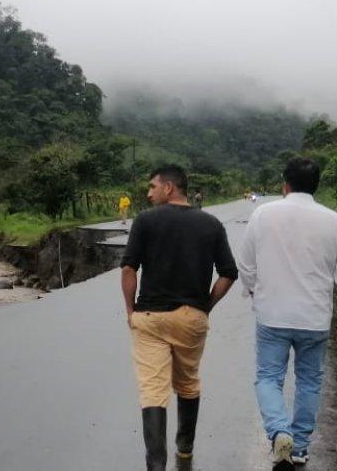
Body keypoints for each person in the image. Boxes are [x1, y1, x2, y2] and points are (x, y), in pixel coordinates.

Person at [236, 157, 337, 469]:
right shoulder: (336, 222)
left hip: (272, 315)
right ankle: (300, 446)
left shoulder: (263, 215)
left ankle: (279, 431)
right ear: (316, 185)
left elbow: (246, 264)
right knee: (309, 381)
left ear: (285, 185)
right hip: (314, 319)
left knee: (268, 377)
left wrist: (254, 292)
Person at [121, 165, 238, 470]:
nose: (149, 193)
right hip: (191, 318)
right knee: (187, 383)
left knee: (152, 390)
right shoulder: (211, 224)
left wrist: (130, 311)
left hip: (150, 317)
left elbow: (129, 268)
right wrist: (205, 307)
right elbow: (229, 273)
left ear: (169, 187)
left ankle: (157, 464)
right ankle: (185, 449)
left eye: (152, 187)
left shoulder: (145, 220)